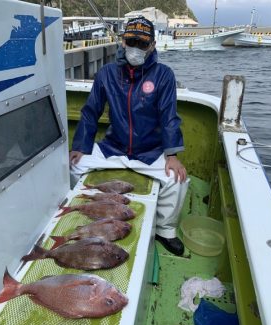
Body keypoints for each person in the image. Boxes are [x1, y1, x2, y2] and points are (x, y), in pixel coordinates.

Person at [69, 17, 190, 256]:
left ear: (153, 45)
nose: (135, 47)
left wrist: (172, 155)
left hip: (150, 152)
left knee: (178, 180)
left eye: (142, 43)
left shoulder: (164, 75)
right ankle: (88, 210)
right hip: (114, 148)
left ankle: (165, 230)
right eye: (131, 41)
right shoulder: (106, 74)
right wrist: (81, 145)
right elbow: (91, 111)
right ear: (123, 42)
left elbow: (169, 117)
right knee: (72, 163)